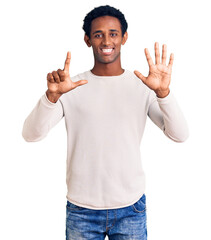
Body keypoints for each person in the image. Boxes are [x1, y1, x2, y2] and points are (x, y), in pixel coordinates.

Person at [22, 5, 189, 240]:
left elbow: (179, 134)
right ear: (87, 40)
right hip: (82, 210)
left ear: (124, 38)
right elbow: (31, 134)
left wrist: (164, 93)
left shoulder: (142, 86)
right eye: (98, 34)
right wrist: (51, 97)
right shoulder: (71, 87)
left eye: (113, 33)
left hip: (130, 209)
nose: (106, 40)